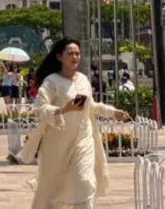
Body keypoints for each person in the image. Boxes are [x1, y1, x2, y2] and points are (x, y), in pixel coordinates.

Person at [20, 38, 130, 209]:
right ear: (59, 57)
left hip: (83, 140)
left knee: (84, 180)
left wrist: (112, 112)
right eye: (70, 53)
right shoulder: (51, 81)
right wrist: (64, 110)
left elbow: (91, 106)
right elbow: (40, 107)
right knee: (52, 190)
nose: (75, 57)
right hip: (57, 144)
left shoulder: (83, 80)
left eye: (77, 54)